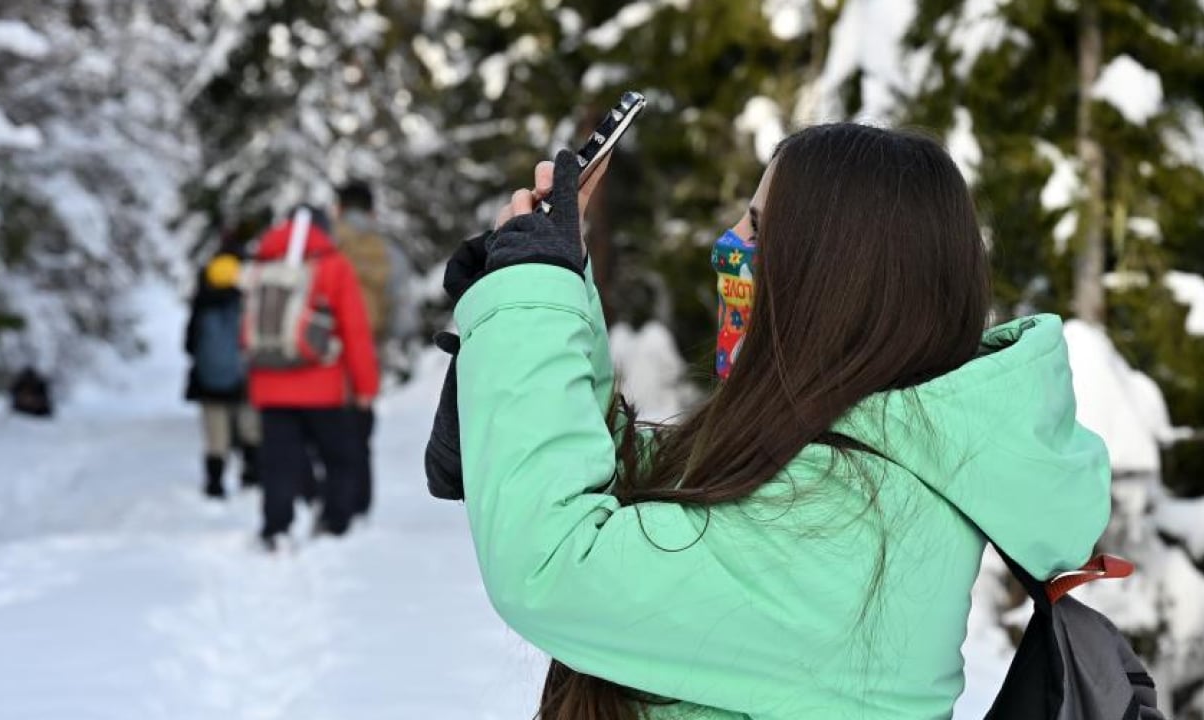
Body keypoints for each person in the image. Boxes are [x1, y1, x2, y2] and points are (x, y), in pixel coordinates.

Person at [437, 124, 1112, 718]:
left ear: (833, 280)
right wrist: (545, 290)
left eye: (758, 227)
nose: (729, 245)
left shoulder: (854, 530)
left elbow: (557, 561)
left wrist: (533, 303)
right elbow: (624, 488)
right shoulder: (848, 462)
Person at [247, 206, 378, 549]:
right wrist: (365, 388)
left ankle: (276, 527)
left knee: (278, 463)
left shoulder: (261, 263)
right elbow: (354, 332)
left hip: (270, 385)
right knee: (339, 457)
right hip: (323, 387)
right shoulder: (332, 265)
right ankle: (334, 522)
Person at [331, 179, 404, 519]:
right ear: (372, 210)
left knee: (326, 426)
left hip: (326, 352)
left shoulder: (327, 243)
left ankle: (332, 502)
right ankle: (359, 499)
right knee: (360, 426)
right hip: (370, 347)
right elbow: (403, 307)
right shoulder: (387, 249)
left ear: (340, 208)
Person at [184, 238, 260, 499]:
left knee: (215, 432)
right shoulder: (246, 298)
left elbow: (190, 343)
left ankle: (214, 482)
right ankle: (252, 474)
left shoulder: (203, 299)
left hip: (208, 379)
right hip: (243, 375)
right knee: (250, 424)